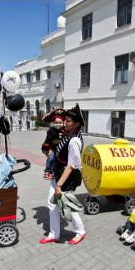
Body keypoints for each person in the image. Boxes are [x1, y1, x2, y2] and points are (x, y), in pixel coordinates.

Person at [39, 104, 87, 245]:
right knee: (52, 204)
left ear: (77, 124)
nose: (65, 123)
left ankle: (80, 231)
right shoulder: (68, 134)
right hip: (57, 173)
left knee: (67, 205)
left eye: (68, 121)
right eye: (65, 120)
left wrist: (59, 185)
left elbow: (71, 165)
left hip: (66, 177)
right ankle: (54, 234)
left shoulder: (74, 141)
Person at [40, 108, 66, 180]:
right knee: (51, 158)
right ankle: (48, 172)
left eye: (60, 123)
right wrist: (48, 150)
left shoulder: (64, 130)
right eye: (56, 123)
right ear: (53, 123)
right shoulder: (52, 130)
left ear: (63, 123)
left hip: (60, 148)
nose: (58, 124)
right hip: (51, 148)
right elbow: (47, 141)